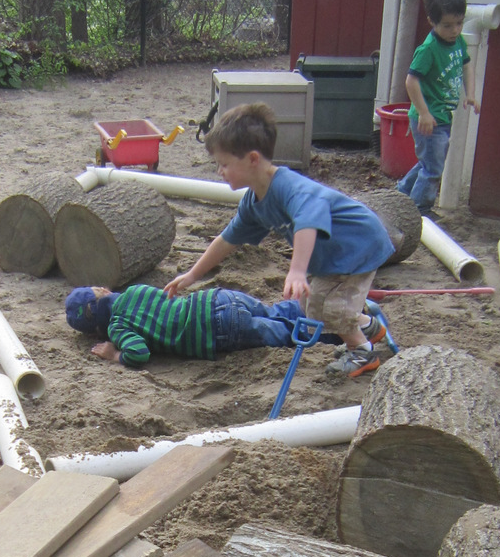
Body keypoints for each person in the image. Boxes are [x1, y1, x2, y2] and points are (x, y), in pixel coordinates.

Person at [163, 102, 395, 378]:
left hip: (358, 247)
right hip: (333, 259)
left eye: (224, 164)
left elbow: (309, 220)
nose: (219, 172)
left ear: (252, 159)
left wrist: (297, 271)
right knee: (311, 307)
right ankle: (367, 324)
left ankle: (362, 352)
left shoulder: (290, 187)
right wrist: (192, 275)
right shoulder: (253, 201)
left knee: (331, 309)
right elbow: (227, 240)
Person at [65, 282, 316, 367]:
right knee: (272, 312)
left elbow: (139, 353)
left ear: (95, 329)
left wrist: (114, 354)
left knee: (281, 334)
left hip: (215, 328)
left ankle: (329, 335)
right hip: (217, 297)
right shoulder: (134, 291)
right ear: (105, 291)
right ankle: (319, 310)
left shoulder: (117, 327)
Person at [398, 0, 479, 213]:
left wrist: (470, 94)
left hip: (443, 117)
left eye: (459, 23)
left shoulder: (458, 42)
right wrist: (423, 112)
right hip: (427, 118)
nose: (454, 30)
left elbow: (467, 66)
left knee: (428, 164)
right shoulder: (428, 49)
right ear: (431, 22)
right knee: (433, 169)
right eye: (447, 25)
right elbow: (411, 81)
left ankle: (401, 195)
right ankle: (417, 212)